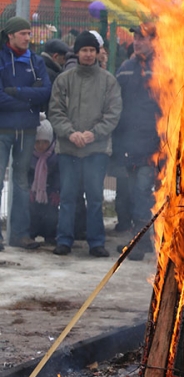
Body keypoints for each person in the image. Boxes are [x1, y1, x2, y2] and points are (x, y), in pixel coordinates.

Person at [49, 31, 122, 257]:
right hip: (69, 149)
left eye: (92, 50)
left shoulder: (109, 81)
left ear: (98, 52)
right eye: (84, 50)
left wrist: (93, 134)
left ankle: (96, 242)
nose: (89, 54)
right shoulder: (64, 79)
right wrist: (71, 134)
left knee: (95, 197)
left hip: (96, 149)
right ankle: (64, 240)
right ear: (77, 52)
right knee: (68, 196)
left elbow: (113, 113)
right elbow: (55, 110)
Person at [0, 16, 52, 251]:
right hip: (3, 128)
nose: (28, 38)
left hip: (27, 129)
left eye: (29, 34)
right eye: (23, 33)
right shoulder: (1, 58)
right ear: (10, 35)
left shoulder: (37, 61)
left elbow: (45, 92)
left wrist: (17, 92)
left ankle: (20, 234)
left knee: (21, 182)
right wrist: (28, 98)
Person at [113, 23, 162, 261]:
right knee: (132, 193)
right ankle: (138, 238)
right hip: (129, 145)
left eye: (143, 38)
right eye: (135, 37)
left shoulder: (163, 69)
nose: (138, 41)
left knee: (143, 193)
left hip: (153, 145)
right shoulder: (125, 68)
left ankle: (142, 243)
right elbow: (116, 103)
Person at [28, 116, 60, 244]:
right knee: (32, 212)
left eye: (45, 142)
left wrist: (56, 190)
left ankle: (50, 235)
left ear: (51, 141)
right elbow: (28, 174)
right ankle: (32, 233)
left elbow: (59, 174)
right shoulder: (30, 157)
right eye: (38, 142)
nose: (41, 146)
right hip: (34, 191)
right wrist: (29, 188)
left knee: (51, 214)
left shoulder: (55, 157)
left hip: (50, 191)